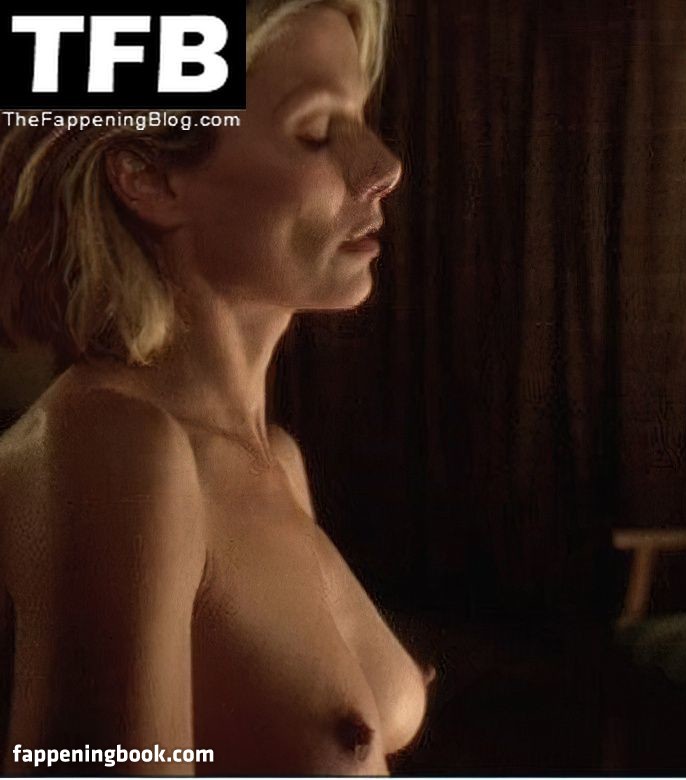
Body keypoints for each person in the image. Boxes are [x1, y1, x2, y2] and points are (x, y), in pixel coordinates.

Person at [0, 0, 432, 773]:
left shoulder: (276, 459)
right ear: (149, 178)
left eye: (360, 120)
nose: (383, 166)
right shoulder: (111, 451)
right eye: (315, 131)